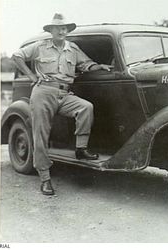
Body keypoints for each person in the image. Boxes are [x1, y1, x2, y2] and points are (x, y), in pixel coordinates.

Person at [12, 13, 112, 196]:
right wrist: (31, 76)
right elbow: (17, 56)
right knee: (41, 133)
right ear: (51, 30)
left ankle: (81, 149)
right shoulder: (40, 46)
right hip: (43, 92)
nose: (62, 31)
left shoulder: (72, 48)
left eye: (65, 28)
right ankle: (45, 178)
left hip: (64, 93)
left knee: (85, 107)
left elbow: (86, 64)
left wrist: (100, 66)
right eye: (58, 28)